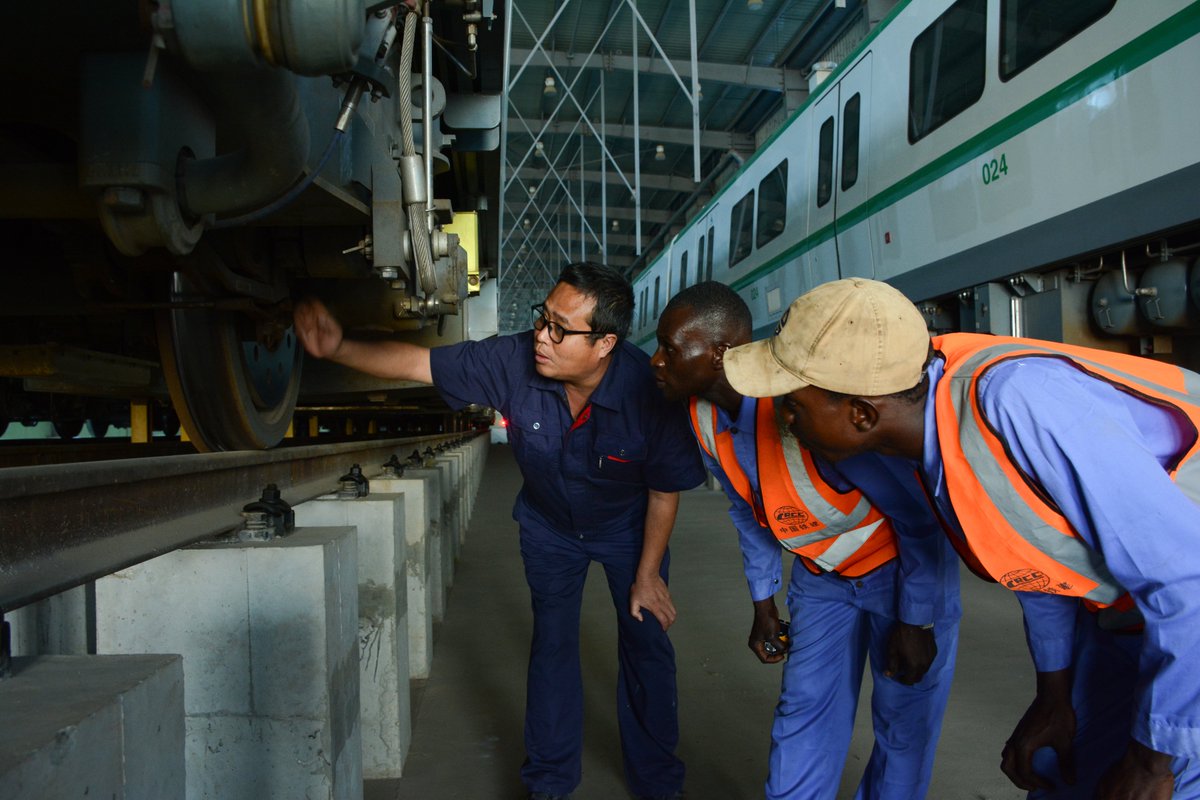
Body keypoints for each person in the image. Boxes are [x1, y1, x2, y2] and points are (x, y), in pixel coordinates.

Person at [723, 277, 1200, 800]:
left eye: (792, 405)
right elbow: (1038, 562)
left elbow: (1187, 581)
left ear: (861, 414)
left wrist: (1152, 763)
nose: (784, 422)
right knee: (1061, 774)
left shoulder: (1018, 402)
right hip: (1125, 624)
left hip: (1185, 622)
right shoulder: (938, 437)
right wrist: (1054, 693)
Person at [294, 262, 706, 800]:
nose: (542, 336)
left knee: (646, 643)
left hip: (628, 531)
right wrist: (339, 347)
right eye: (542, 318)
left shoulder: (649, 391)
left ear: (605, 343)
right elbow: (421, 363)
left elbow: (664, 490)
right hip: (549, 527)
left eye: (560, 329)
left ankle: (657, 782)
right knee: (553, 644)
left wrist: (648, 574)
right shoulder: (513, 361)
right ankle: (550, 781)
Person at [650, 282, 960, 799]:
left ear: (720, 353)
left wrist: (917, 619)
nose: (656, 361)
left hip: (899, 575)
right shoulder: (703, 414)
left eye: (670, 347)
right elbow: (747, 508)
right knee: (804, 709)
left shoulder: (814, 410)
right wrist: (763, 600)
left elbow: (919, 519)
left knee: (903, 724)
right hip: (821, 579)